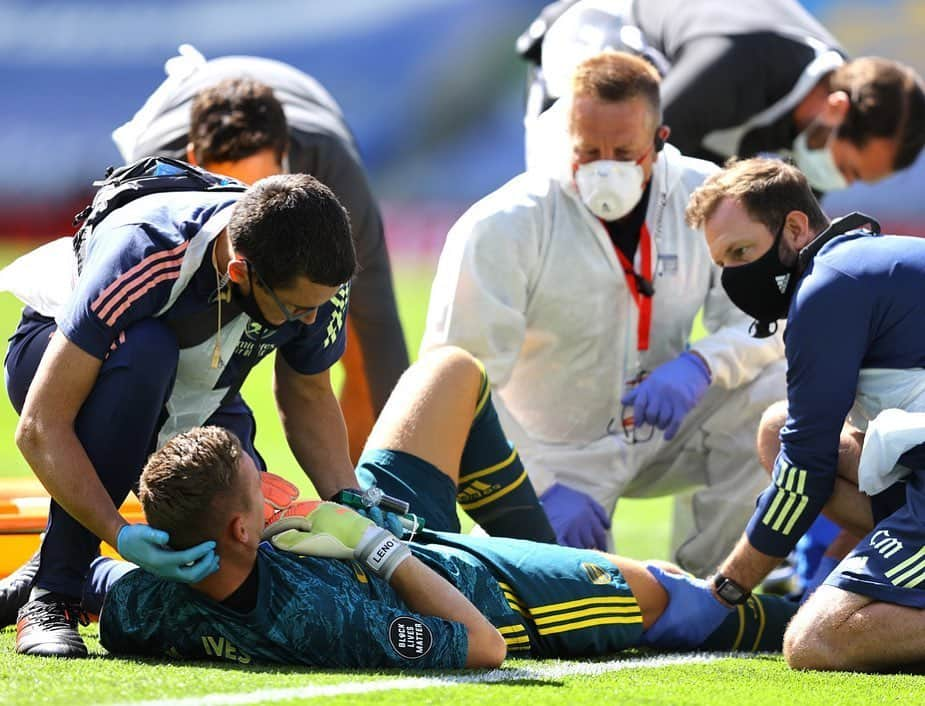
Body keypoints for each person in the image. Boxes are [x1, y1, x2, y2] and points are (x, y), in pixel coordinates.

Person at [95, 347, 798, 667]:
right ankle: (844, 615)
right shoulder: (316, 620)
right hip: (482, 590)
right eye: (260, 481)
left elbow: (98, 588)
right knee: (673, 599)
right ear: (242, 527)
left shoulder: (153, 603)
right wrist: (373, 544)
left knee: (449, 372)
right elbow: (484, 649)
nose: (272, 481)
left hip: (385, 530)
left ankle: (551, 543)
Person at [421, 51, 785, 574]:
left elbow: (768, 320)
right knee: (562, 594)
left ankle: (715, 587)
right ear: (564, 133)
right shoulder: (504, 223)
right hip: (552, 455)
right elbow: (457, 382)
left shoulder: (707, 197)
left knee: (776, 389)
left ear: (660, 139)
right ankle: (540, 534)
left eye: (625, 150)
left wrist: (703, 364)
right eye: (588, 151)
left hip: (664, 426)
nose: (606, 166)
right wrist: (535, 486)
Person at [7, 170, 361, 658]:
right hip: (69, 362)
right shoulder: (145, 252)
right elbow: (42, 427)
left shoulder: (314, 278)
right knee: (146, 351)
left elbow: (309, 393)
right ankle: (54, 596)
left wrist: (350, 500)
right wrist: (118, 533)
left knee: (240, 537)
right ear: (240, 272)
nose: (311, 321)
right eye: (298, 309)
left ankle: (65, 568)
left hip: (197, 385)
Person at [113, 44, 409, 462]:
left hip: (312, 126)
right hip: (176, 176)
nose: (245, 213)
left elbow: (381, 349)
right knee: (160, 349)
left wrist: (366, 494)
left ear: (286, 163)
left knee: (368, 359)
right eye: (231, 193)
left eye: (260, 187)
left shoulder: (336, 175)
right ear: (196, 162)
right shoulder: (157, 182)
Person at [686, 156, 925, 672]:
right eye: (724, 262)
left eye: (742, 251)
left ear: (795, 227)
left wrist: (725, 590)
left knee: (817, 641)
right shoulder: (862, 263)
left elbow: (807, 468)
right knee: (777, 426)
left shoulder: (826, 289)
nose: (735, 276)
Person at [520, 0, 925, 192]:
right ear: (836, 109)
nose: (841, 183)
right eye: (849, 169)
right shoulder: (738, 63)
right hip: (593, 41)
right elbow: (643, 151)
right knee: (588, 194)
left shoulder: (829, 93)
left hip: (681, 103)